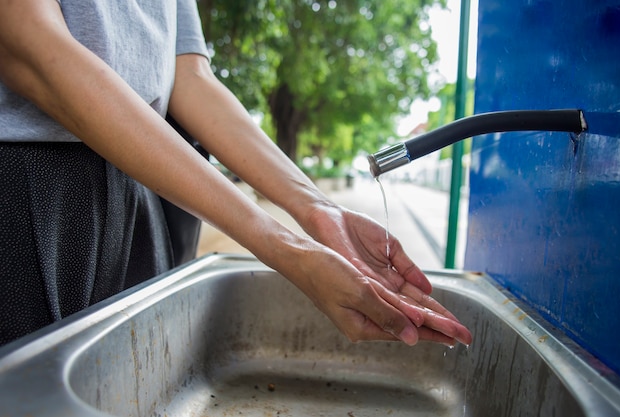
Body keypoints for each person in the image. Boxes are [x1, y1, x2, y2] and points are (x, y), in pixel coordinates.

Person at [0, 0, 472, 348]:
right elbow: (29, 48)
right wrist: (289, 249)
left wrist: (318, 210)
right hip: (27, 192)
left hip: (140, 187)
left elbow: (189, 77)